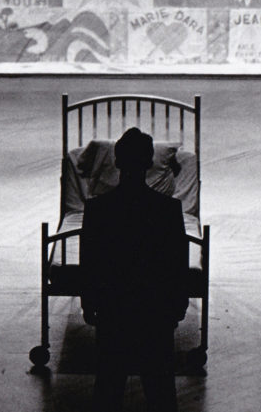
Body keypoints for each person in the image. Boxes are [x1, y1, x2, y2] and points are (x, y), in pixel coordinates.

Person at [81, 128, 189, 412]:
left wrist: (89, 303)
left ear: (117, 162)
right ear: (149, 162)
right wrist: (178, 305)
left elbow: (90, 262)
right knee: (160, 389)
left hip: (114, 308)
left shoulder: (98, 210)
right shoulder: (168, 209)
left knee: (108, 385)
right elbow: (177, 262)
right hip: (154, 309)